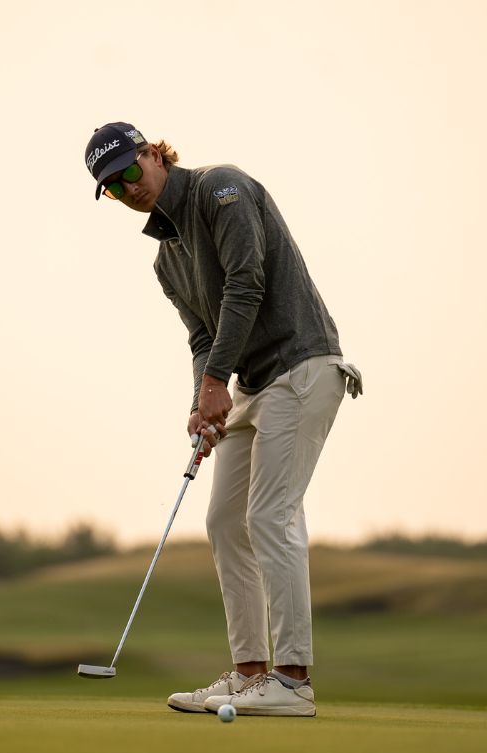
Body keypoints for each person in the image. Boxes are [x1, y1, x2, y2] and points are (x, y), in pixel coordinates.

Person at [83, 122, 362, 717]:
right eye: (112, 187)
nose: (127, 188)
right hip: (254, 383)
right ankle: (249, 672)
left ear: (155, 154)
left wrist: (216, 384)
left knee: (270, 515)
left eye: (130, 171)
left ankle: (291, 682)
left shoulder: (222, 190)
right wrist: (200, 401)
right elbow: (202, 337)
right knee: (223, 521)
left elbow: (246, 284)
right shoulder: (166, 259)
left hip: (303, 365)